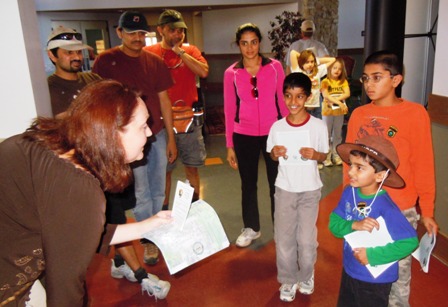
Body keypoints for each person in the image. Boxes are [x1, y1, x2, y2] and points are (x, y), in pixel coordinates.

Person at [0, 80, 172, 306]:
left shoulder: (53, 148)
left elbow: (80, 230)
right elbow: (64, 288)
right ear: (111, 133)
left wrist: (149, 225)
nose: (150, 133)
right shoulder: (80, 189)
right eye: (142, 126)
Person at [345, 50, 439, 306]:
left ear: (396, 80)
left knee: (398, 279)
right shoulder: (358, 114)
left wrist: (427, 211)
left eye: (377, 77)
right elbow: (349, 166)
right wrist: (348, 202)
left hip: (400, 209)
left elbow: (424, 165)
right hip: (365, 208)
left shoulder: (415, 113)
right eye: (365, 79)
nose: (369, 85)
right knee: (364, 273)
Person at [92, 11, 176, 279]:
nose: (137, 38)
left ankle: (155, 232)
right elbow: (99, 101)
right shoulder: (105, 62)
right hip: (127, 141)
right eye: (131, 33)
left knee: (158, 189)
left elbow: (164, 101)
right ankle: (148, 241)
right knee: (140, 192)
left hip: (157, 134)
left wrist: (171, 137)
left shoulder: (154, 61)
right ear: (119, 33)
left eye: (141, 33)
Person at [329, 136, 418, 306]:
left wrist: (372, 255)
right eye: (351, 165)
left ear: (380, 176)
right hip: (349, 270)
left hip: (375, 280)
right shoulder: (349, 192)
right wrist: (353, 225)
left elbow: (410, 241)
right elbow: (334, 223)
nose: (350, 172)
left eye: (359, 167)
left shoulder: (386, 207)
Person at [224, 23, 288, 248]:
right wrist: (230, 144)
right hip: (244, 136)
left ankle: (281, 228)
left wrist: (290, 131)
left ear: (259, 43)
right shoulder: (231, 73)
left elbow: (282, 100)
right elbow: (230, 109)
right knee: (248, 184)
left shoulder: (275, 67)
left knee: (277, 184)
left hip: (274, 134)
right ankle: (252, 227)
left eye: (253, 42)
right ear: (238, 45)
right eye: (244, 43)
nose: (249, 48)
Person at [267, 72, 328, 302]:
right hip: (284, 189)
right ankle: (288, 279)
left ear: (308, 97)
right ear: (283, 96)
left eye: (299, 97)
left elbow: (324, 155)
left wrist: (316, 154)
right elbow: (272, 155)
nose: (293, 102)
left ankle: (306, 275)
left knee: (306, 239)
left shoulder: (318, 126)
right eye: (288, 96)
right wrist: (275, 153)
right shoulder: (277, 127)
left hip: (310, 190)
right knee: (283, 238)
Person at [144, 9, 208, 208]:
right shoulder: (148, 54)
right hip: (161, 122)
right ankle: (163, 213)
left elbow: (203, 72)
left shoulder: (191, 51)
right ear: (160, 30)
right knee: (164, 171)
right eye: (172, 30)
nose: (177, 35)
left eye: (181, 31)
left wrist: (180, 51)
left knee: (192, 168)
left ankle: (195, 211)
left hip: (189, 120)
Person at [46, 26, 101, 117]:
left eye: (79, 52)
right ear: (52, 55)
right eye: (69, 52)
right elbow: (65, 121)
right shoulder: (49, 87)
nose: (77, 57)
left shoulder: (94, 79)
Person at [290, 49, 335, 131]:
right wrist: (304, 56)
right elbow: (293, 53)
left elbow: (333, 60)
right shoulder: (298, 72)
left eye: (312, 61)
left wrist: (316, 60)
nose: (310, 64)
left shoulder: (318, 71)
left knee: (317, 130)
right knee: (304, 130)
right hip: (303, 109)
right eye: (307, 62)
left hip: (316, 108)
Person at [320, 58, 350, 167]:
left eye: (340, 69)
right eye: (334, 68)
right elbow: (326, 95)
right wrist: (339, 101)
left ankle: (336, 155)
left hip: (339, 111)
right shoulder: (325, 81)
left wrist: (338, 102)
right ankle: (326, 157)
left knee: (337, 134)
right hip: (327, 111)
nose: (337, 70)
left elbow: (347, 93)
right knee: (326, 134)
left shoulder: (344, 81)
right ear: (329, 69)